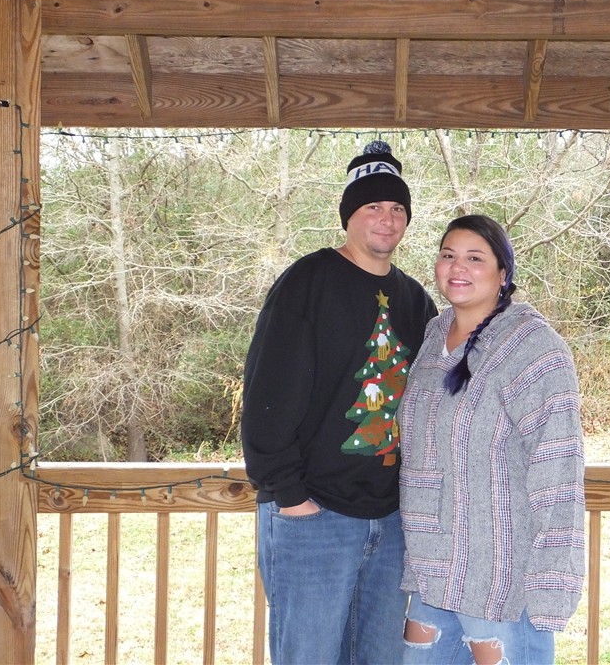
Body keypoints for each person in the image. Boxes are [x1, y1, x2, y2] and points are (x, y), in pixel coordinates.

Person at [241, 140, 438, 664]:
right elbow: (266, 395)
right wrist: (290, 497)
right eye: (373, 206)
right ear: (349, 215)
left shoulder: (416, 300)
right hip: (314, 516)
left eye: (397, 208)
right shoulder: (308, 282)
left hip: (392, 521)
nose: (387, 218)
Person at [399, 214, 585, 665]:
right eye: (448, 255)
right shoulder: (433, 336)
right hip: (431, 570)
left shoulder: (533, 348)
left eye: (475, 258)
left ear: (503, 274)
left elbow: (558, 468)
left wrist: (552, 580)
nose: (458, 267)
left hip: (497, 575)